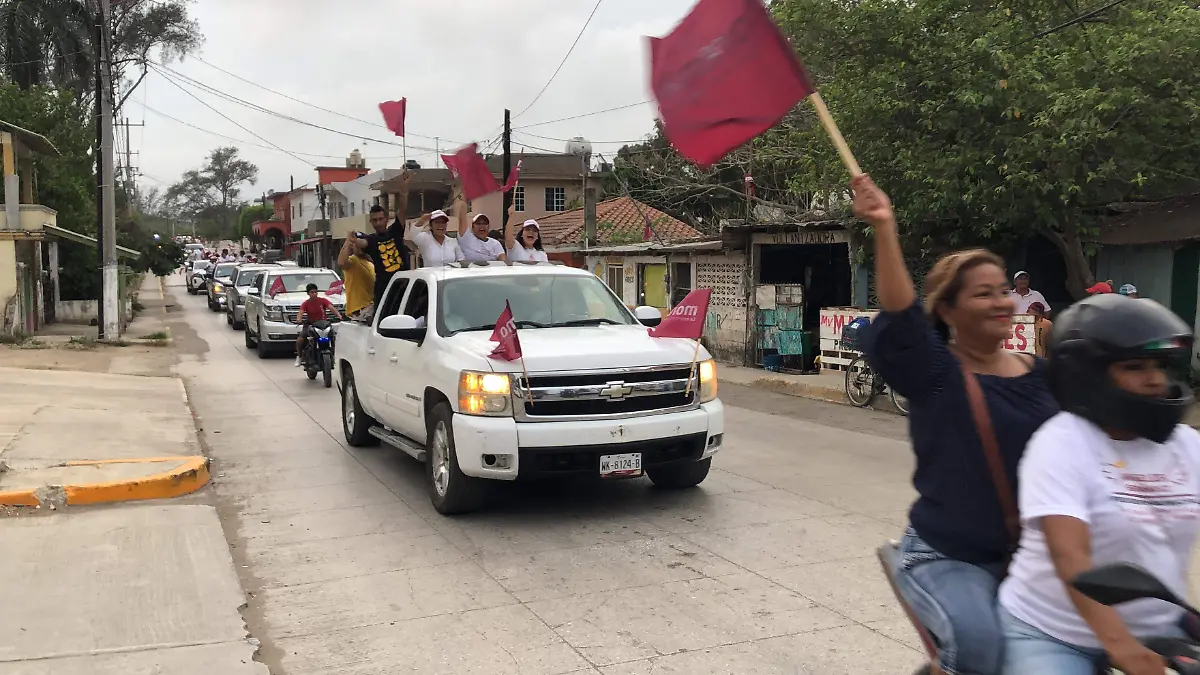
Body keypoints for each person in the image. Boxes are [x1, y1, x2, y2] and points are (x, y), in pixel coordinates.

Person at [857, 174, 1058, 675]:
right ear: (947, 309)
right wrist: (884, 227)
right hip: (948, 556)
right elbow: (902, 319)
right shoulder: (937, 373)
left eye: (1004, 290)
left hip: (1035, 557)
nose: (1002, 302)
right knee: (977, 645)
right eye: (983, 294)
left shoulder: (1042, 375)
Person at [998, 294, 1200, 675]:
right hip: (1055, 633)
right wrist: (1121, 645)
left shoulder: (1187, 445)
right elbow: (1070, 556)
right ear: (1087, 376)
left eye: (1159, 365)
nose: (1155, 379)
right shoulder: (1061, 443)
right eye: (1135, 367)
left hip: (1160, 629)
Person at [352, 171, 411, 307]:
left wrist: (404, 189)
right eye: (374, 220)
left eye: (380, 219)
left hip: (404, 287)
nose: (378, 223)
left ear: (386, 219)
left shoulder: (395, 231)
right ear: (371, 222)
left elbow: (402, 210)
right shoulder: (371, 240)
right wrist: (353, 240)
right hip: (384, 292)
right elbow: (362, 243)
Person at [294, 283, 342, 367]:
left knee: (333, 337)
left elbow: (331, 308)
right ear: (308, 293)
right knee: (300, 340)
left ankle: (333, 355)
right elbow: (300, 312)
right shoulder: (306, 303)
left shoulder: (323, 300)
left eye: (315, 292)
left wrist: (339, 315)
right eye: (312, 292)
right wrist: (299, 319)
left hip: (323, 324)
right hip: (311, 325)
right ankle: (300, 356)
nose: (314, 294)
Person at [337, 237, 376, 320]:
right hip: (361, 311)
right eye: (356, 245)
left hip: (369, 308)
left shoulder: (370, 264)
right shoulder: (354, 261)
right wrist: (348, 241)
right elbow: (341, 263)